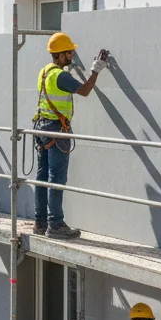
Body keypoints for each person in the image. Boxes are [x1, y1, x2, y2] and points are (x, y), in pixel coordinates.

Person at [33, 33, 109, 238]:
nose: (73, 55)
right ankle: (55, 225)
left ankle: (40, 222)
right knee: (56, 178)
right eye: (70, 53)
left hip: (41, 128)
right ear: (62, 54)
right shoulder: (61, 76)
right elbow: (84, 90)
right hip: (57, 130)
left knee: (42, 177)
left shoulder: (45, 71)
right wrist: (96, 70)